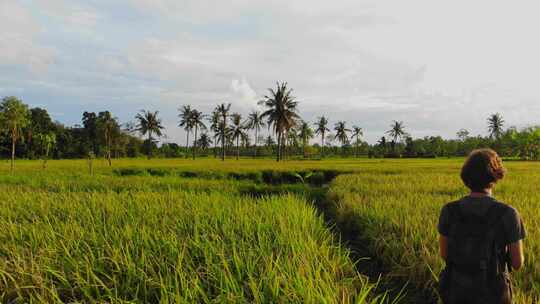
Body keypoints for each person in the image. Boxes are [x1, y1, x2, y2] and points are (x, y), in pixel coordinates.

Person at [438, 149, 525, 304]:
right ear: (496, 175)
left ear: (466, 176)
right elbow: (517, 264)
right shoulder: (508, 213)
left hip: (457, 290)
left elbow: (445, 254)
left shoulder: (449, 210)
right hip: (494, 294)